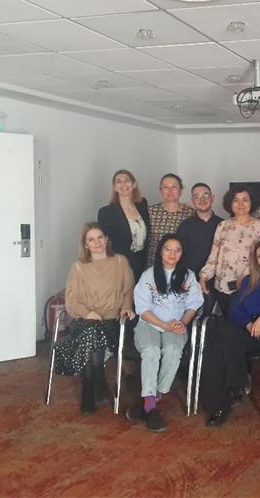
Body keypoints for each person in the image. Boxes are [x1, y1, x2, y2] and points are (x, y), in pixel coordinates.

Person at [202, 240, 260, 427]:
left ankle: (226, 397)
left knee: (222, 340)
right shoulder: (248, 280)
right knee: (222, 336)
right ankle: (229, 393)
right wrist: (248, 323)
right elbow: (235, 309)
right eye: (259, 256)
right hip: (244, 329)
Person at [54, 223, 135, 415]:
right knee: (91, 330)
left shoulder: (120, 262)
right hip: (85, 320)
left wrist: (126, 307)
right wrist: (88, 313)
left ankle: (89, 388)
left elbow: (128, 290)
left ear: (106, 240)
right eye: (91, 239)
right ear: (86, 244)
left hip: (112, 322)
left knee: (93, 334)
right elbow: (72, 300)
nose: (97, 242)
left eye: (100, 237)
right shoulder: (78, 266)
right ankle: (95, 384)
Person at [128, 234, 203, 432]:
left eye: (177, 250)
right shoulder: (149, 275)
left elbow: (193, 304)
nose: (172, 254)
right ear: (160, 251)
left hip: (176, 325)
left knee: (173, 350)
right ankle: (151, 409)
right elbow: (143, 309)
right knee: (151, 350)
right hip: (149, 324)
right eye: (168, 249)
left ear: (182, 254)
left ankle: (152, 399)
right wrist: (164, 325)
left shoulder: (188, 276)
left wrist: (183, 323)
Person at [199, 186, 260, 317]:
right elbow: (214, 255)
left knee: (246, 325)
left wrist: (246, 278)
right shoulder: (223, 226)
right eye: (236, 200)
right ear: (230, 203)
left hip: (250, 287)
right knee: (226, 325)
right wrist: (204, 276)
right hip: (223, 287)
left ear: (251, 202)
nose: (240, 204)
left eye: (245, 200)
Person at [177, 182, 223, 313]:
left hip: (218, 284)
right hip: (190, 282)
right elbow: (178, 256)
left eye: (205, 195)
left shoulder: (223, 224)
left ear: (213, 198)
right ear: (192, 200)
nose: (202, 199)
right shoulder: (185, 226)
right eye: (197, 196)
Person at [97, 169, 150, 282]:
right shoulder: (106, 212)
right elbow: (102, 242)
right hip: (120, 265)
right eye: (119, 182)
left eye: (127, 180)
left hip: (142, 262)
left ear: (134, 184)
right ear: (114, 187)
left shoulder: (142, 204)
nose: (123, 184)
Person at [146, 173, 195, 267]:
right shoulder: (150, 212)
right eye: (166, 187)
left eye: (174, 187)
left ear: (180, 191)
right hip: (153, 266)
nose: (170, 191)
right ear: (161, 191)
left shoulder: (190, 214)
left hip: (180, 267)